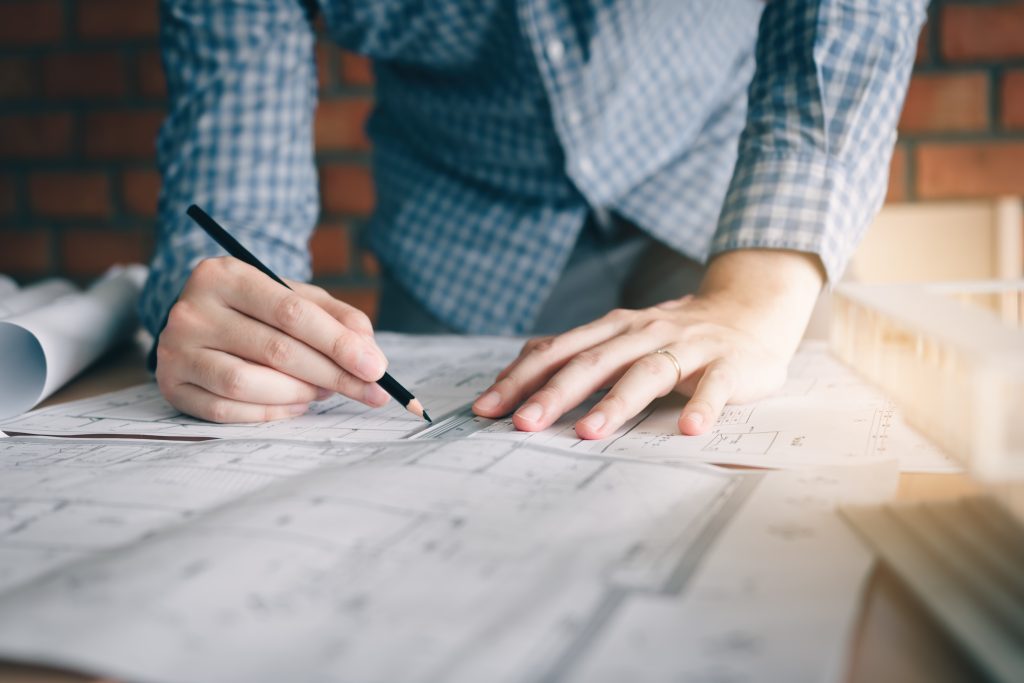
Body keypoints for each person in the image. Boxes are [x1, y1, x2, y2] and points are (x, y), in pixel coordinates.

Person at [142, 0, 925, 438]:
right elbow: (231, 120)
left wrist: (755, 300)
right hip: (459, 240)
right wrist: (226, 304)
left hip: (730, 203)